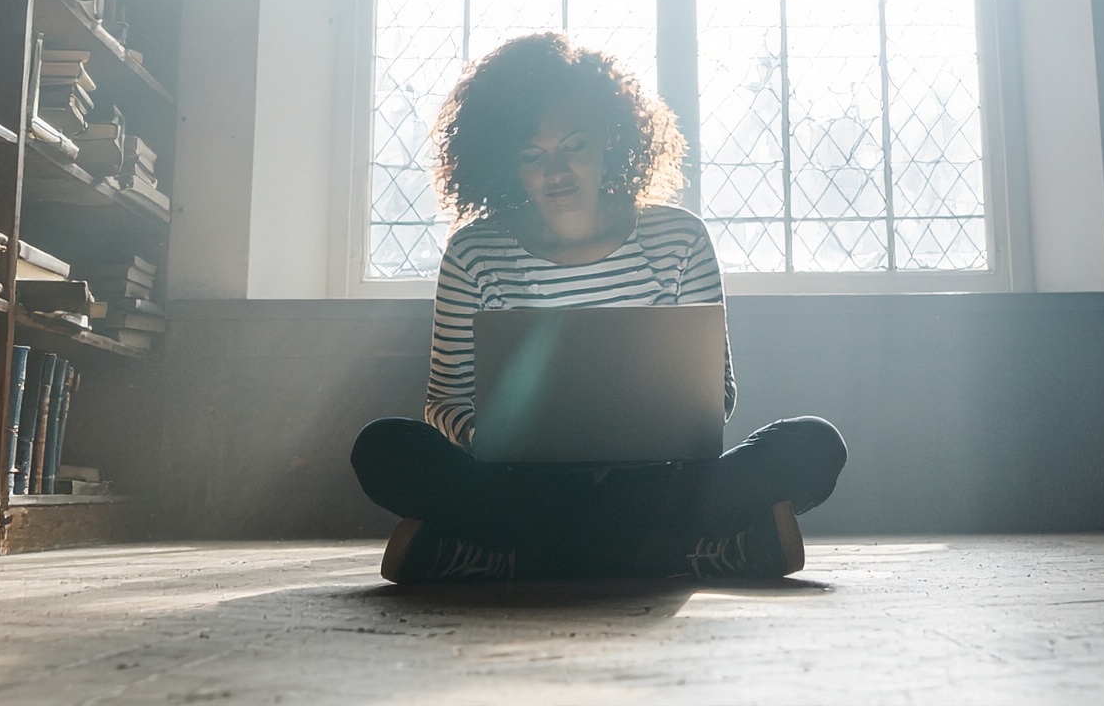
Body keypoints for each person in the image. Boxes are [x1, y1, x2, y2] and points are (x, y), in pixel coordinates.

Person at [351, 33, 847, 584]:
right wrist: (499, 443)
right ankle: (678, 551)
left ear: (612, 139)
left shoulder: (680, 238)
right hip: (524, 486)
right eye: (532, 156)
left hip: (658, 480)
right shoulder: (474, 252)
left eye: (574, 146)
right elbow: (444, 402)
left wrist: (643, 436)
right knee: (384, 448)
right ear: (506, 162)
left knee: (813, 445)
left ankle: (511, 553)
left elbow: (719, 393)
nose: (554, 172)